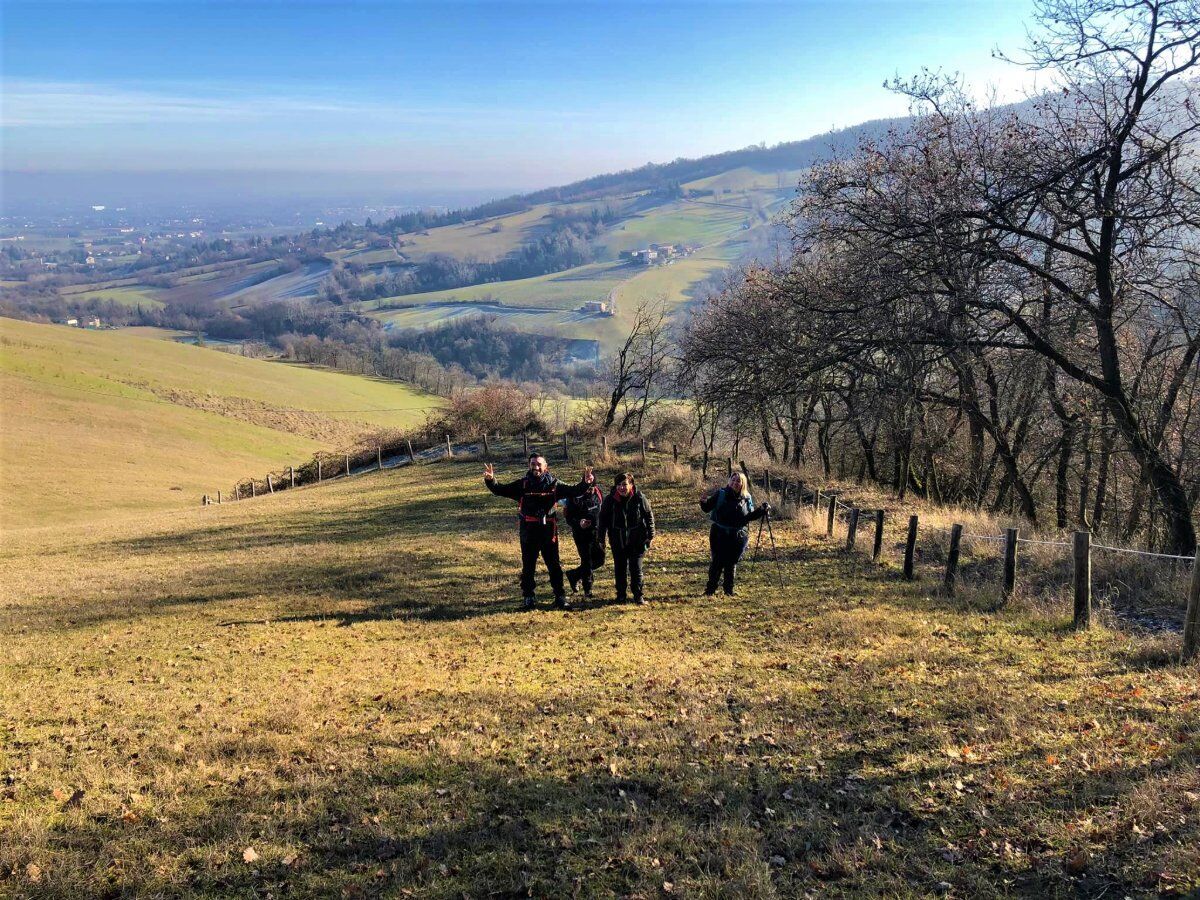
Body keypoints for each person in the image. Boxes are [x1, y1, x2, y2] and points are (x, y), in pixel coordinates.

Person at [483, 455, 593, 610]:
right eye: (533, 464)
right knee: (528, 567)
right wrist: (490, 480)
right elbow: (500, 490)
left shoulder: (555, 485)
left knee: (554, 566)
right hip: (528, 532)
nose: (536, 467)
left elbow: (574, 491)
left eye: (539, 464)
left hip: (549, 532)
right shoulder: (522, 485)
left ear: (545, 466)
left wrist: (585, 482)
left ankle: (560, 597)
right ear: (529, 465)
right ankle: (528, 598)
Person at [699, 471, 769, 597]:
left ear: (743, 484)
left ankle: (728, 591)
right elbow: (707, 508)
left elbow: (750, 516)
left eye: (738, 481)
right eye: (733, 480)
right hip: (719, 533)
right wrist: (703, 502)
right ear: (729, 481)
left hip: (738, 536)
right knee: (717, 562)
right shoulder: (720, 494)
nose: (735, 483)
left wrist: (761, 510)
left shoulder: (747, 498)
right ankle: (710, 591)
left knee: (731, 563)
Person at [599, 472, 655, 605]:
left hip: (637, 539)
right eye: (619, 485)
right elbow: (602, 521)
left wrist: (651, 535)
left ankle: (638, 596)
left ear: (631, 484)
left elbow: (648, 516)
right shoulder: (609, 500)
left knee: (636, 569)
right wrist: (601, 539)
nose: (621, 488)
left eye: (624, 484)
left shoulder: (640, 497)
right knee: (620, 569)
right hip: (617, 540)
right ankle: (621, 596)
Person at [563, 469, 605, 598]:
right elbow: (569, 517)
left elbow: (602, 511)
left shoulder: (598, 492)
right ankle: (588, 590)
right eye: (587, 478)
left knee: (599, 561)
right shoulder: (574, 494)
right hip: (581, 534)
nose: (589, 481)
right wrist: (579, 523)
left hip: (597, 533)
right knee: (586, 562)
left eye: (591, 478)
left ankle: (574, 575)